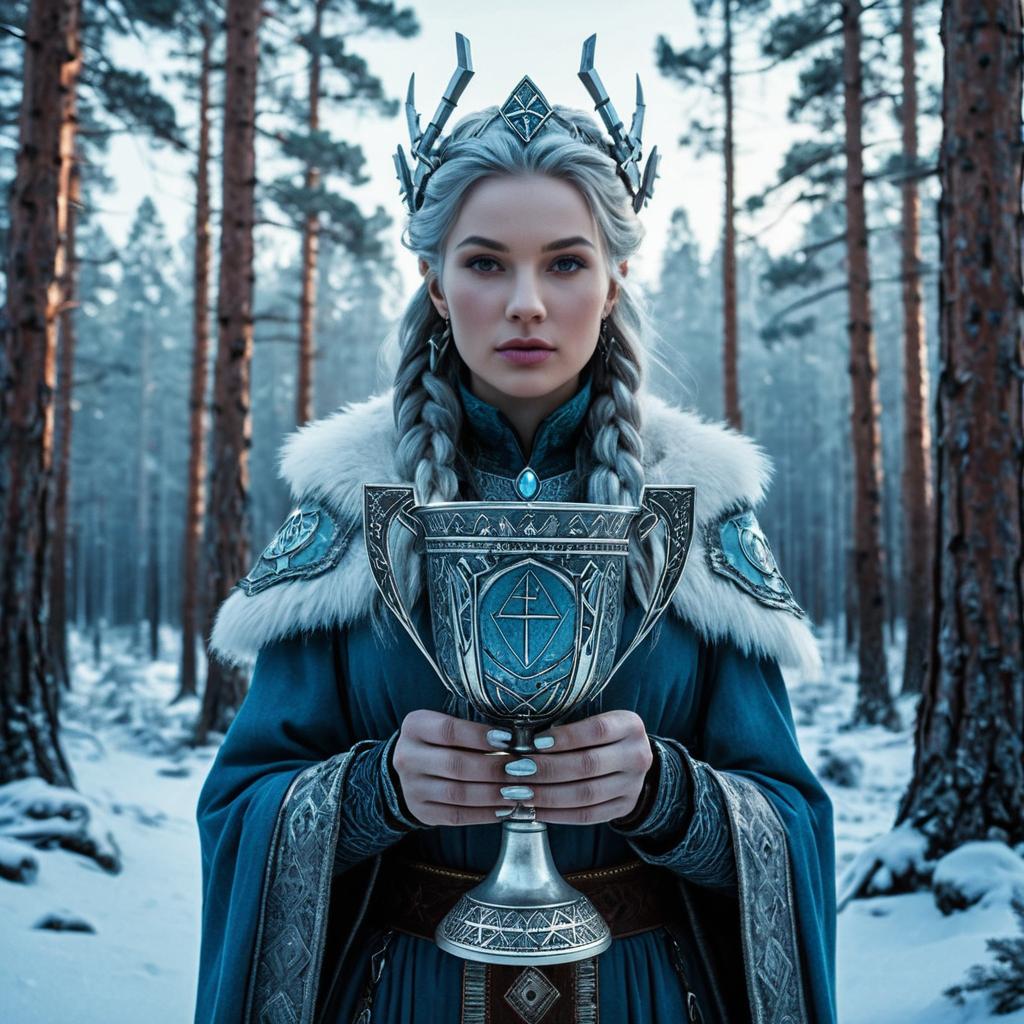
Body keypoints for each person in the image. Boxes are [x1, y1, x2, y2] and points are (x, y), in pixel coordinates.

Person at [194, 35, 836, 1024]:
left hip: (642, 997)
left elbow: (790, 816)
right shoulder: (345, 501)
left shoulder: (697, 507)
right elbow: (241, 806)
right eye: (486, 263)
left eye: (566, 262)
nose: (527, 303)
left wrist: (670, 794)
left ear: (613, 279)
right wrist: (376, 789)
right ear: (437, 284)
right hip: (403, 995)